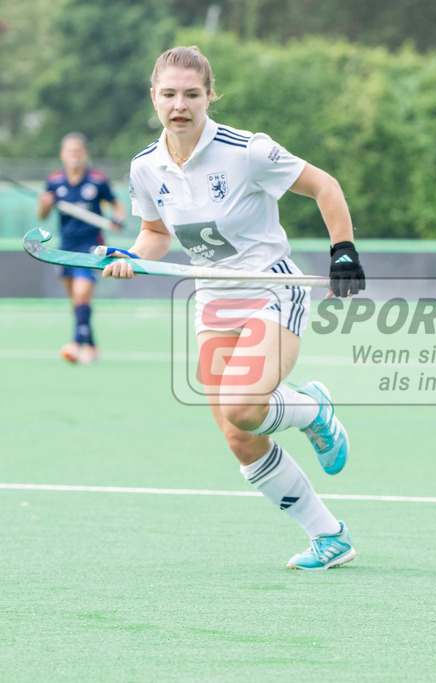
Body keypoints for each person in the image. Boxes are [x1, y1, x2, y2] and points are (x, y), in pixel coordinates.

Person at [103, 46, 367, 570]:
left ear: (209, 96)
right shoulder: (145, 167)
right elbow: (155, 234)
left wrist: (343, 252)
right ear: (153, 97)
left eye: (192, 94)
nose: (180, 105)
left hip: (272, 291)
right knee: (238, 434)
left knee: (245, 405)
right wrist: (132, 256)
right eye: (170, 94)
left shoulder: (247, 150)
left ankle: (314, 408)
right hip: (212, 303)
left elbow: (323, 187)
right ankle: (329, 536)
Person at [38, 133, 126, 365]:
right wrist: (43, 206)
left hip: (91, 245)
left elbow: (117, 206)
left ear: (85, 154)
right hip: (66, 246)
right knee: (77, 303)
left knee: (81, 294)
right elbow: (43, 215)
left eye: (78, 151)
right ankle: (93, 347)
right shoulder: (54, 181)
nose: (74, 156)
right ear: (62, 155)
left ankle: (75, 345)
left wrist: (117, 219)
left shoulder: (97, 180)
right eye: (70, 152)